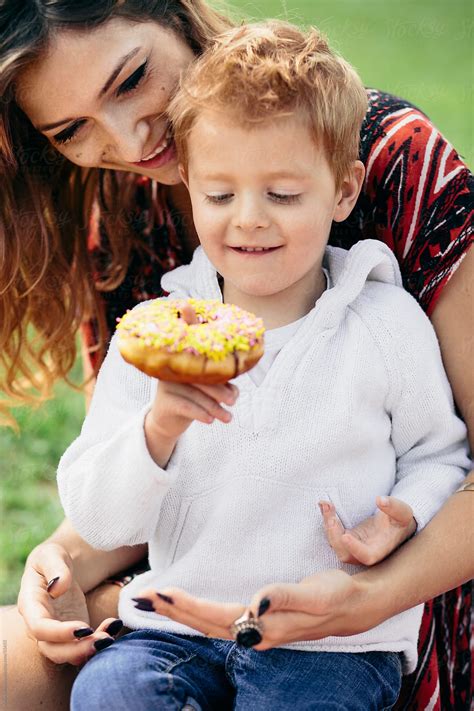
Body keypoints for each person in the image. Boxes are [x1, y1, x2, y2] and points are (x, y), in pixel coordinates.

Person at [0, 1, 471, 710]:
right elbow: (160, 476)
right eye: (71, 131)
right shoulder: (134, 239)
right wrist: (65, 559)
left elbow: (446, 456)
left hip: (385, 612)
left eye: (129, 80)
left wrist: (368, 588)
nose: (129, 144)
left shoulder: (387, 171)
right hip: (188, 611)